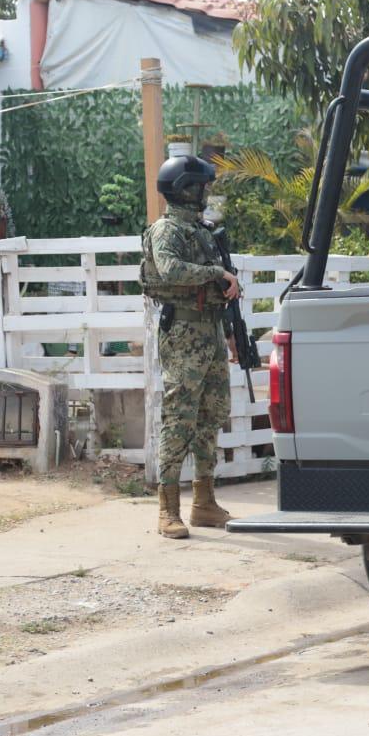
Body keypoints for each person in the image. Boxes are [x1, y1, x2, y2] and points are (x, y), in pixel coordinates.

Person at [139, 154, 240, 538]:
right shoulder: (166, 230)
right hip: (183, 332)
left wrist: (230, 331)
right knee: (179, 416)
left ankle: (204, 502)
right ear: (185, 189)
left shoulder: (203, 231)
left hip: (210, 330)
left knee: (212, 415)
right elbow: (170, 270)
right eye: (202, 185)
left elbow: (219, 290)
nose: (206, 192)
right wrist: (216, 272)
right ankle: (168, 509)